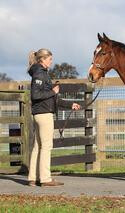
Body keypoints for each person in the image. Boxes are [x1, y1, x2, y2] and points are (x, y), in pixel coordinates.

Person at [27, 48, 81, 187]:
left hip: (39, 114)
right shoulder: (40, 73)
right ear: (42, 59)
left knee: (37, 146)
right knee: (46, 146)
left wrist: (71, 105)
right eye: (50, 59)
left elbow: (53, 99)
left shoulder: (40, 72)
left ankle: (32, 178)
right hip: (44, 114)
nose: (51, 61)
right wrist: (52, 91)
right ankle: (45, 179)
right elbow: (35, 95)